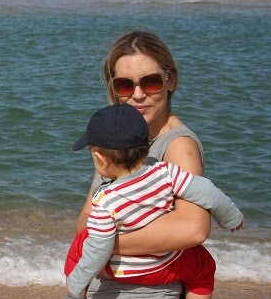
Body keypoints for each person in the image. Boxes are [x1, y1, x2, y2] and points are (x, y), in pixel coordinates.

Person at [75, 30, 213, 298]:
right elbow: (84, 219)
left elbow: (194, 228)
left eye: (150, 82)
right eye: (125, 85)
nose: (138, 95)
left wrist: (100, 244)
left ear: (170, 81)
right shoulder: (119, 141)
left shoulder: (178, 145)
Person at [64, 104, 244, 299]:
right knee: (203, 265)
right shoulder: (165, 172)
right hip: (167, 263)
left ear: (101, 159)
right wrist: (231, 218)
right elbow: (207, 191)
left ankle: (75, 292)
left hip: (122, 271)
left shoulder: (104, 201)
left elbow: (98, 249)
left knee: (81, 243)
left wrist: (77, 282)